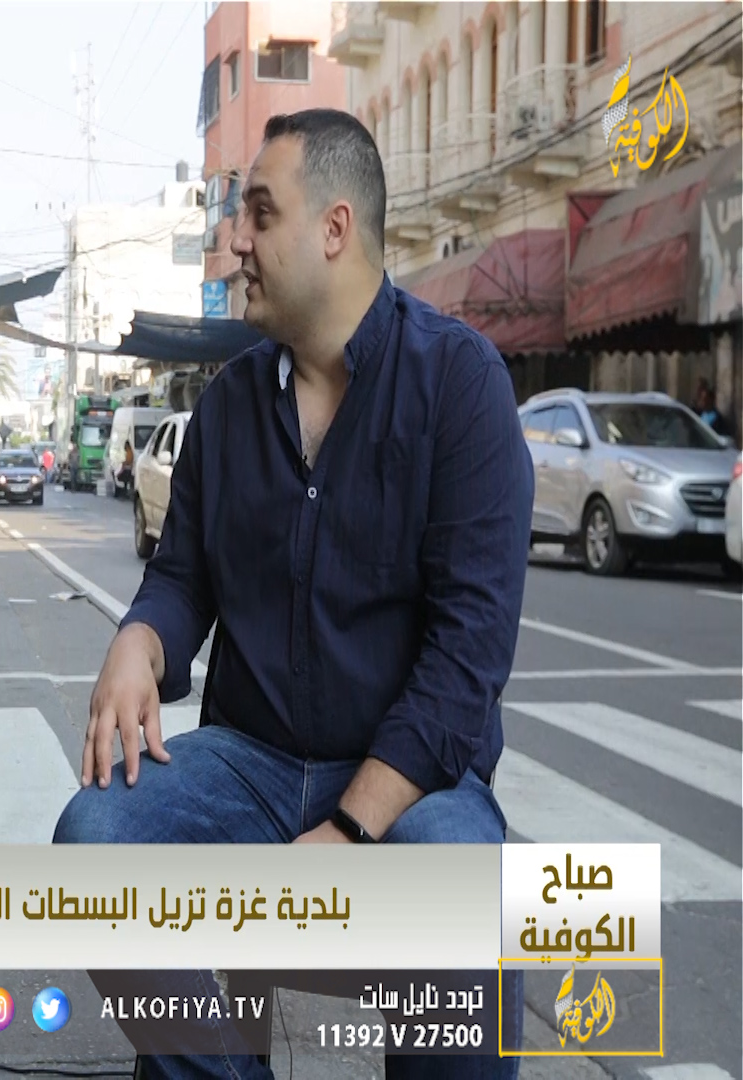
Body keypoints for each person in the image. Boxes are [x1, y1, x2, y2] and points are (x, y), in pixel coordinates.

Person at [52, 110, 532, 1079]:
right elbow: (182, 577)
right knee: (94, 835)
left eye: (260, 214)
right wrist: (140, 641)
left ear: (335, 229)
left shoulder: (458, 383)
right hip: (250, 764)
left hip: (410, 785)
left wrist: (351, 827)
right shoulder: (228, 405)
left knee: (468, 906)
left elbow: (467, 659)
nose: (236, 240)